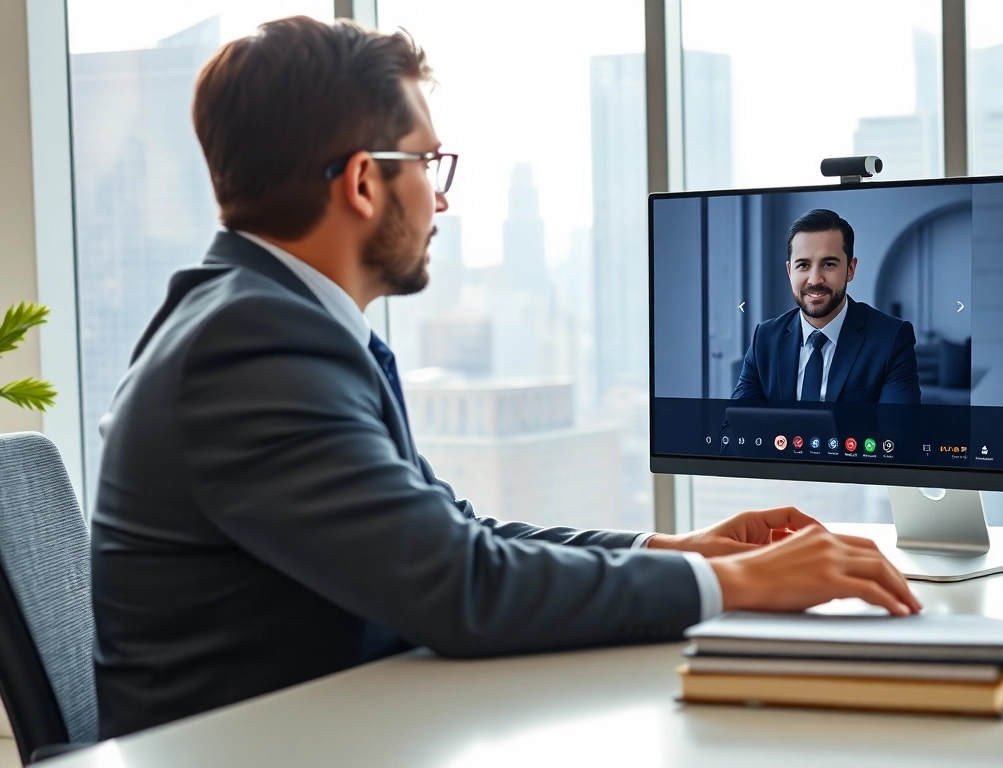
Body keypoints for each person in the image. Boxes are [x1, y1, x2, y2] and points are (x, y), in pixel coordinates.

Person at [89, 17, 921, 740]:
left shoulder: (271, 322)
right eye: (429, 164)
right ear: (365, 180)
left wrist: (672, 548)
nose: (441, 201)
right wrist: (734, 582)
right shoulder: (252, 344)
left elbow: (452, 534)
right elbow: (461, 585)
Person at [730, 209, 921, 405]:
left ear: (850, 269)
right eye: (803, 265)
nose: (815, 280)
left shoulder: (891, 339)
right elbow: (734, 426)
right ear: (789, 271)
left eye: (828, 264)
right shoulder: (764, 338)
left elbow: (899, 432)